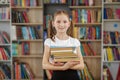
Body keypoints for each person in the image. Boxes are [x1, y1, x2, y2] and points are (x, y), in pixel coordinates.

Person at [42, 10, 84, 80]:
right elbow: (44, 65)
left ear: (69, 24)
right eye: (58, 22)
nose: (61, 25)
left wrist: (66, 66)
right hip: (57, 77)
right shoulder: (49, 42)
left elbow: (81, 65)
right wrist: (63, 67)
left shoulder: (75, 42)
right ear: (53, 23)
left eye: (65, 22)